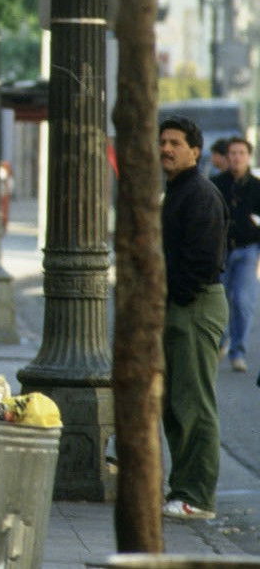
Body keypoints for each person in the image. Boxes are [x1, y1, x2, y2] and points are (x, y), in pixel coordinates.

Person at [160, 114, 229, 521]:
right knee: (175, 403)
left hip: (195, 304)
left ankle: (197, 497)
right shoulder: (178, 191)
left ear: (195, 151)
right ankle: (183, 489)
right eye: (163, 142)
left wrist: (178, 294)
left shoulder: (199, 194)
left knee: (194, 403)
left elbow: (204, 259)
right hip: (182, 303)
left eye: (175, 143)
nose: (166, 149)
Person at [216, 138, 260, 372]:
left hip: (247, 250)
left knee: (243, 301)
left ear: (248, 156)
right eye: (232, 153)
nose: (236, 157)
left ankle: (238, 351)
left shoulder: (256, 187)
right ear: (227, 156)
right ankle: (221, 340)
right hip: (220, 251)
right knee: (219, 300)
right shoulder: (216, 185)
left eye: (241, 153)